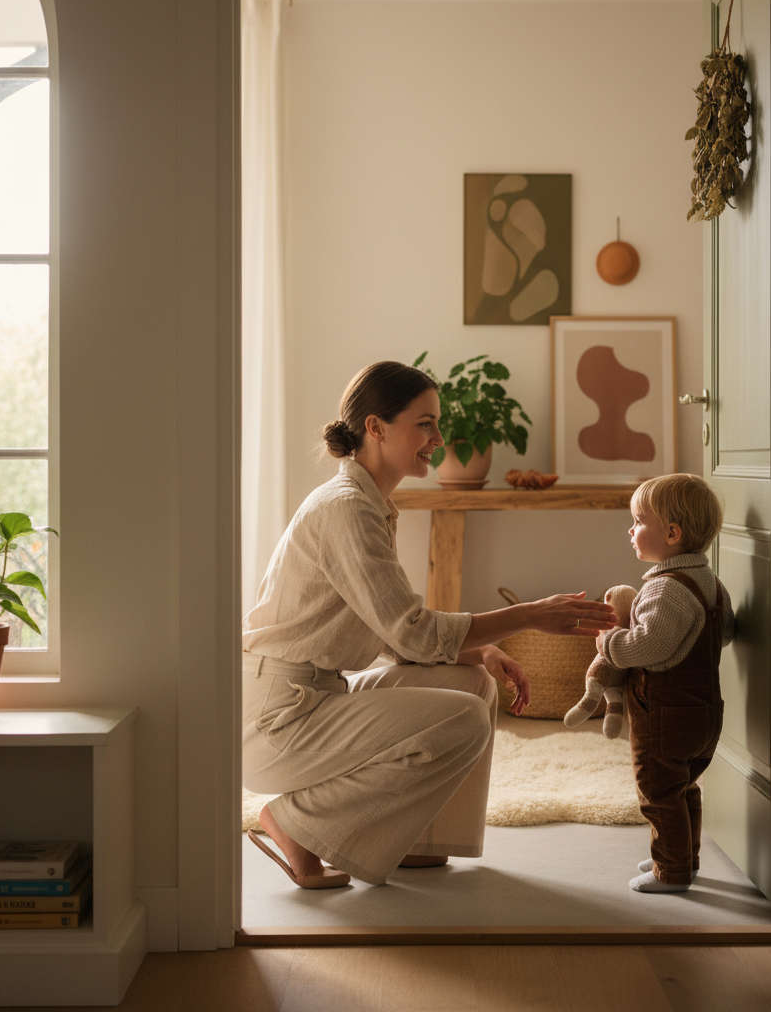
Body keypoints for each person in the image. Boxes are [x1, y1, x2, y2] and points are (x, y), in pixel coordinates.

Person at [242, 360, 617, 888]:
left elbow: (396, 636)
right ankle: (294, 823)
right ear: (375, 427)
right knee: (464, 720)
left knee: (473, 683)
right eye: (424, 423)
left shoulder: (371, 504)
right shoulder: (347, 508)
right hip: (278, 719)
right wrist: (530, 615)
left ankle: (417, 840)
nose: (439, 438)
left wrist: (478, 651)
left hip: (314, 697)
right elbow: (413, 632)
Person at [595, 473, 735, 893]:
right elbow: (724, 631)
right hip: (706, 710)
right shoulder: (710, 583)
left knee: (658, 791)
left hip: (665, 714)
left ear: (671, 534)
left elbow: (646, 646)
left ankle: (671, 871)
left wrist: (609, 643)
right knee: (685, 785)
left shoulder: (665, 590)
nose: (631, 530)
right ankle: (682, 856)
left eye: (638, 521)